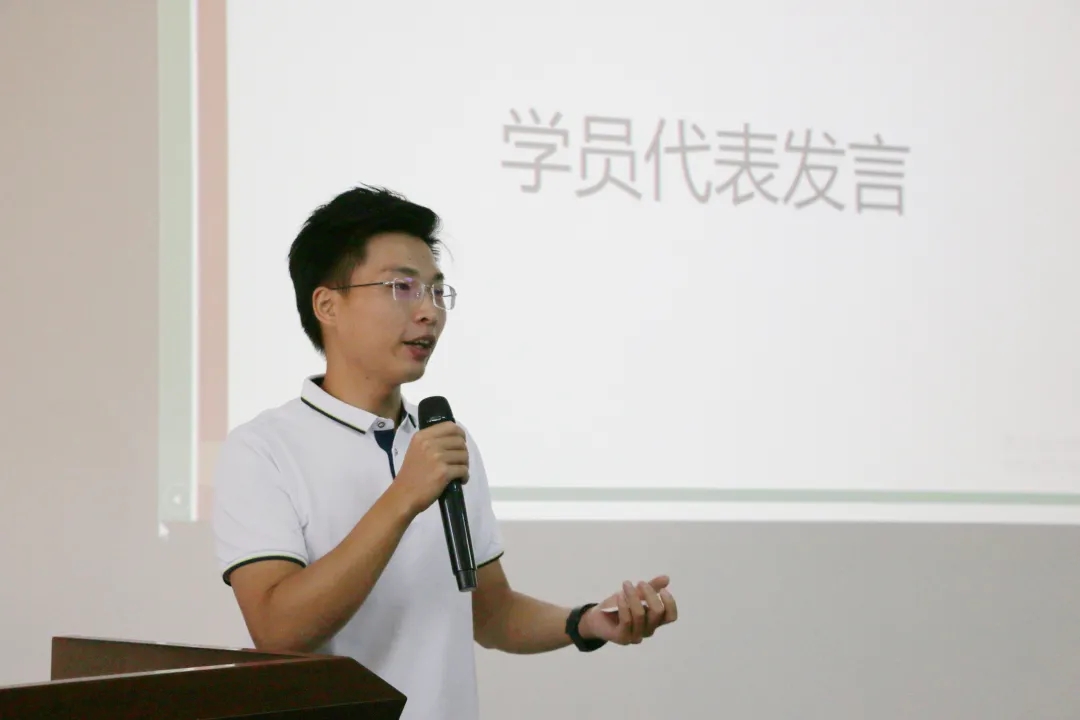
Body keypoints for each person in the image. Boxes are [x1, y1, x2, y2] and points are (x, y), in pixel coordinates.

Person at [212, 185, 679, 720]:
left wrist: (587, 622)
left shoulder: (445, 441)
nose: (429, 312)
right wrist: (404, 496)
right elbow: (277, 629)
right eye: (402, 287)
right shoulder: (263, 450)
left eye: (437, 291)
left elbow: (492, 614)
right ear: (327, 305)